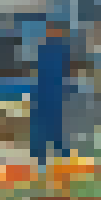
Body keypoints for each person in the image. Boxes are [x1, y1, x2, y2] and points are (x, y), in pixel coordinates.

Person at [33, 20, 73, 164]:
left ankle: (59, 152)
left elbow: (68, 72)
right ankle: (40, 155)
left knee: (56, 121)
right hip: (44, 90)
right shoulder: (44, 49)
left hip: (56, 90)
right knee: (43, 121)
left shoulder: (62, 49)